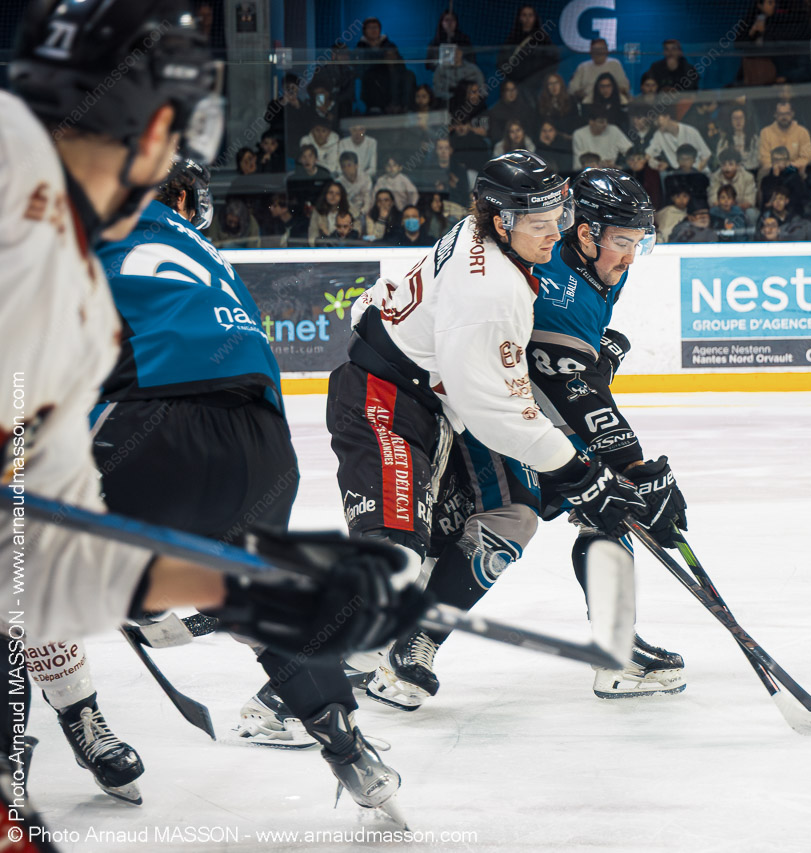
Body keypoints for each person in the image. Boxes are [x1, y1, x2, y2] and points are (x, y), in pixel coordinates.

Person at [2, 0, 422, 821]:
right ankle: (349, 748)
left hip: (154, 431)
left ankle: (23, 749)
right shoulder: (191, 242)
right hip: (263, 450)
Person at [326, 151, 655, 708]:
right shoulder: (495, 290)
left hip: (425, 403)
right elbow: (497, 409)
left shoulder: (489, 239)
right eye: (540, 223)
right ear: (502, 221)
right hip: (389, 399)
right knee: (402, 554)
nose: (555, 234)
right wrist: (582, 471)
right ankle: (295, 688)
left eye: (559, 217)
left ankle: (383, 653)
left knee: (484, 526)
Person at [527, 169, 688, 694]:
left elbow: (571, 371)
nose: (630, 258)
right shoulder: (554, 284)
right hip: (499, 420)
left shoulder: (597, 271)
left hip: (535, 413)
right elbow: (572, 384)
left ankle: (616, 650)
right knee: (482, 530)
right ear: (585, 232)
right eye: (622, 242)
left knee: (603, 508)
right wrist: (632, 462)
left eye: (639, 243)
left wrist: (598, 354)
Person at [758, 101, 811, 172]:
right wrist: (776, 168)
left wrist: (789, 167)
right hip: (772, 173)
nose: (784, 117)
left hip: (796, 172)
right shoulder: (765, 132)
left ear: (792, 114)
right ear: (775, 115)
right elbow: (764, 158)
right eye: (780, 114)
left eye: (787, 113)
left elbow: (806, 158)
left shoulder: (803, 132)